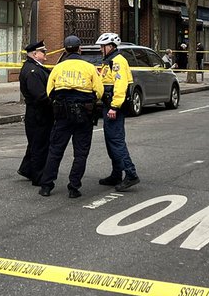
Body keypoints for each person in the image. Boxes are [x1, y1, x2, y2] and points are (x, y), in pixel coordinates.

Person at [39, 35, 102, 198]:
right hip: (84, 115)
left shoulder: (58, 67)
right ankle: (74, 187)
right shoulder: (89, 67)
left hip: (62, 114)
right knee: (80, 152)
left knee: (55, 150)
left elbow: (48, 91)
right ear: (79, 48)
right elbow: (99, 91)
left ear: (65, 49)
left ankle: (46, 185)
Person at [95, 31, 139, 192]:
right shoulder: (109, 61)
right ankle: (116, 174)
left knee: (116, 141)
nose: (101, 49)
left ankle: (131, 174)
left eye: (102, 46)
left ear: (111, 46)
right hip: (108, 105)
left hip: (115, 106)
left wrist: (114, 106)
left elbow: (120, 86)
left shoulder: (117, 61)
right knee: (110, 141)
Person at [17, 40, 53, 185]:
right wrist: (54, 104)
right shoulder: (33, 71)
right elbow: (40, 96)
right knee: (40, 144)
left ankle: (27, 169)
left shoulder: (35, 67)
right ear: (34, 54)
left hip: (38, 112)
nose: (45, 54)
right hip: (39, 113)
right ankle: (38, 177)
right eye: (42, 52)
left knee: (35, 143)